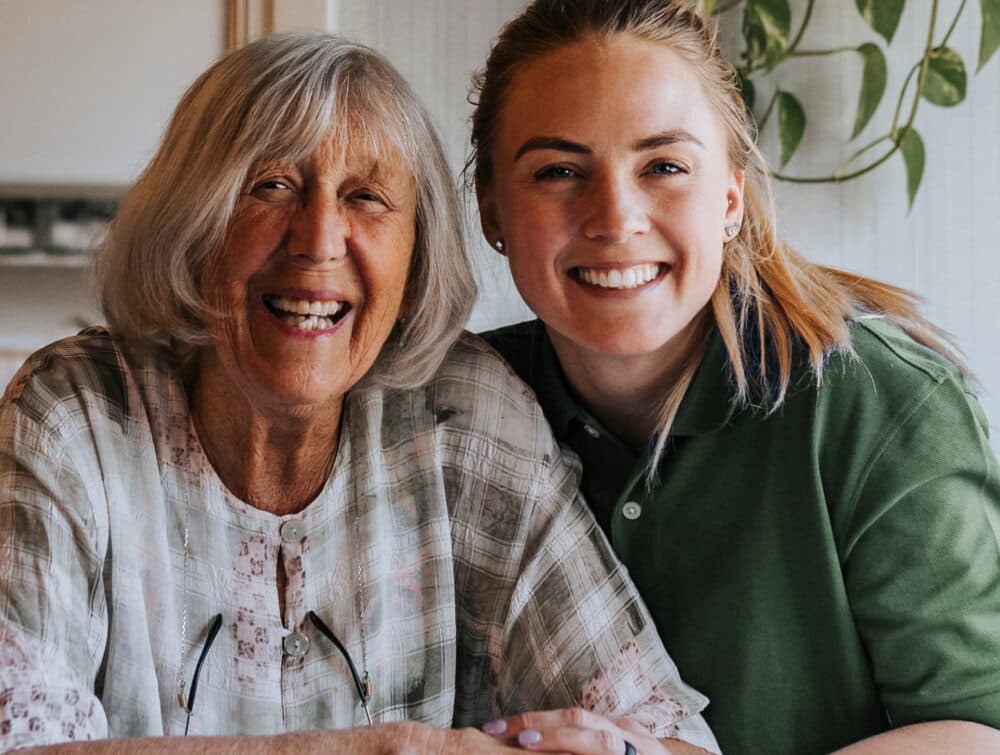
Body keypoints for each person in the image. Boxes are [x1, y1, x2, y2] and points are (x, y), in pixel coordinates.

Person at [0, 32, 719, 754]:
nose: (318, 241)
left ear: (416, 253)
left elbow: (669, 737)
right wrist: (388, 749)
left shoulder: (461, 420)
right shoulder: (75, 417)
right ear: (194, 222)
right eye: (271, 185)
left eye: (366, 197)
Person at [472, 1, 1000, 753]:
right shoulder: (456, 409)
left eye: (664, 166)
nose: (615, 217)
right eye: (559, 170)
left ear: (729, 197)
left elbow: (978, 733)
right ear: (492, 209)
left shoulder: (885, 403)